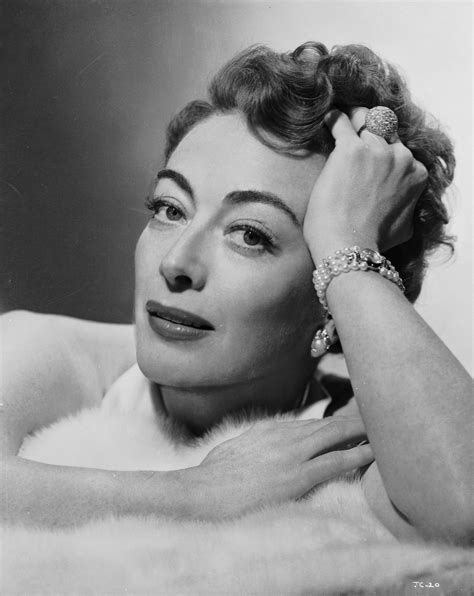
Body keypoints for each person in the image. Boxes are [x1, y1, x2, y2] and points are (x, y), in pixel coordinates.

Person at [1, 42, 472, 544]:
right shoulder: (48, 352)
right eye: (170, 209)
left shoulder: (372, 440)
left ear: (330, 302)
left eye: (249, 234)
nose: (176, 263)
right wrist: (194, 494)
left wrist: (347, 242)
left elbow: (463, 513)